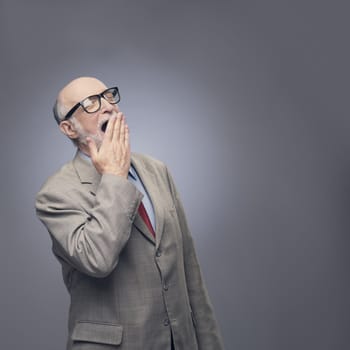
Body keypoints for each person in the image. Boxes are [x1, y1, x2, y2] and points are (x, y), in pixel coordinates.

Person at [35, 76, 224, 350]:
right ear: (68, 128)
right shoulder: (55, 194)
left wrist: (209, 344)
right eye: (90, 103)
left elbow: (189, 266)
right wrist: (114, 176)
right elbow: (97, 260)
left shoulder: (157, 170)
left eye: (108, 96)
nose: (107, 106)